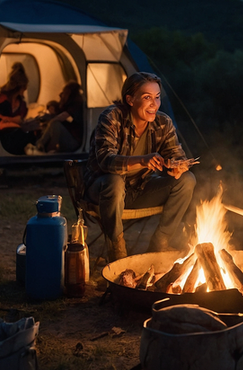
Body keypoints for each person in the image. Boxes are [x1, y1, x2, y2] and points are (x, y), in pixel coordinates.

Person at [84, 72, 196, 261]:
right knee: (115, 181)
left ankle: (160, 243)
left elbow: (177, 155)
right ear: (130, 99)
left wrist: (177, 166)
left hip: (139, 189)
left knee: (187, 181)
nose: (154, 104)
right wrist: (142, 160)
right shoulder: (111, 118)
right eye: (147, 97)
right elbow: (105, 160)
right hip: (103, 191)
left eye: (157, 97)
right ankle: (117, 249)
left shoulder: (163, 123)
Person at [25, 81, 84, 155]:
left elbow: (64, 116)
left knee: (55, 124)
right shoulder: (66, 105)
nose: (61, 95)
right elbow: (58, 111)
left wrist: (51, 121)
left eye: (64, 93)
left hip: (74, 143)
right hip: (68, 140)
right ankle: (40, 145)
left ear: (69, 94)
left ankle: (50, 151)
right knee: (50, 125)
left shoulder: (76, 106)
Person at [0, 62, 38, 155]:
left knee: (32, 133)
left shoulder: (21, 104)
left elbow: (21, 120)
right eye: (24, 87)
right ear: (18, 87)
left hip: (18, 130)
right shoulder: (1, 99)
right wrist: (12, 120)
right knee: (19, 135)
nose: (26, 89)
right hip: (4, 133)